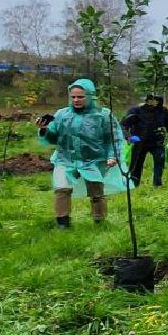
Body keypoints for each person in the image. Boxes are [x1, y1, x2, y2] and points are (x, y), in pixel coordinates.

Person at [39, 78, 127, 227]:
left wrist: (113, 156)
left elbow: (114, 138)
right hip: (65, 158)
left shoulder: (103, 115)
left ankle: (99, 221)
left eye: (80, 96)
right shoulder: (62, 114)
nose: (76, 100)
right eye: (73, 97)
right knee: (61, 189)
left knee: (96, 194)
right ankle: (63, 223)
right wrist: (44, 129)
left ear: (90, 96)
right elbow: (54, 137)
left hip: (93, 160)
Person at [121, 93, 168, 187]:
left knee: (160, 162)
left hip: (157, 142)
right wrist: (128, 136)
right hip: (139, 142)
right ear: (147, 100)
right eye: (152, 99)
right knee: (136, 165)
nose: (155, 102)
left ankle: (157, 184)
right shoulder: (136, 111)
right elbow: (123, 125)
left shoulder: (163, 111)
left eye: (157, 100)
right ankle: (134, 184)